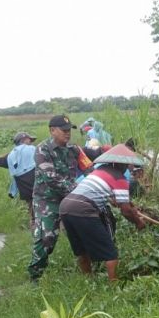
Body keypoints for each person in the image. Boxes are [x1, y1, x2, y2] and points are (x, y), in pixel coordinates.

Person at [59, 144, 148, 282]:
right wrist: (138, 222)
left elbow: (117, 200)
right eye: (129, 164)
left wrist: (132, 207)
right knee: (110, 251)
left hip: (65, 206)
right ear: (123, 164)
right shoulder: (120, 178)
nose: (130, 167)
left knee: (81, 250)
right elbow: (125, 211)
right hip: (84, 208)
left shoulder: (100, 170)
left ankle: (88, 279)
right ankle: (113, 284)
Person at [27, 115, 91, 282]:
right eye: (64, 130)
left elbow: (88, 168)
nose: (67, 133)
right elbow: (51, 178)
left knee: (82, 232)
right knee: (47, 238)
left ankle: (89, 271)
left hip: (70, 199)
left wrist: (95, 184)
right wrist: (78, 190)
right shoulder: (42, 150)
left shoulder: (75, 149)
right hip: (47, 200)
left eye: (69, 130)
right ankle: (36, 275)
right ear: (52, 130)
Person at [0, 131, 37, 227]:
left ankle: (35, 232)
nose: (31, 143)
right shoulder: (33, 149)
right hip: (39, 185)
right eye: (30, 140)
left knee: (32, 212)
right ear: (24, 140)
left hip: (25, 189)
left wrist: (13, 151)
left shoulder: (11, 156)